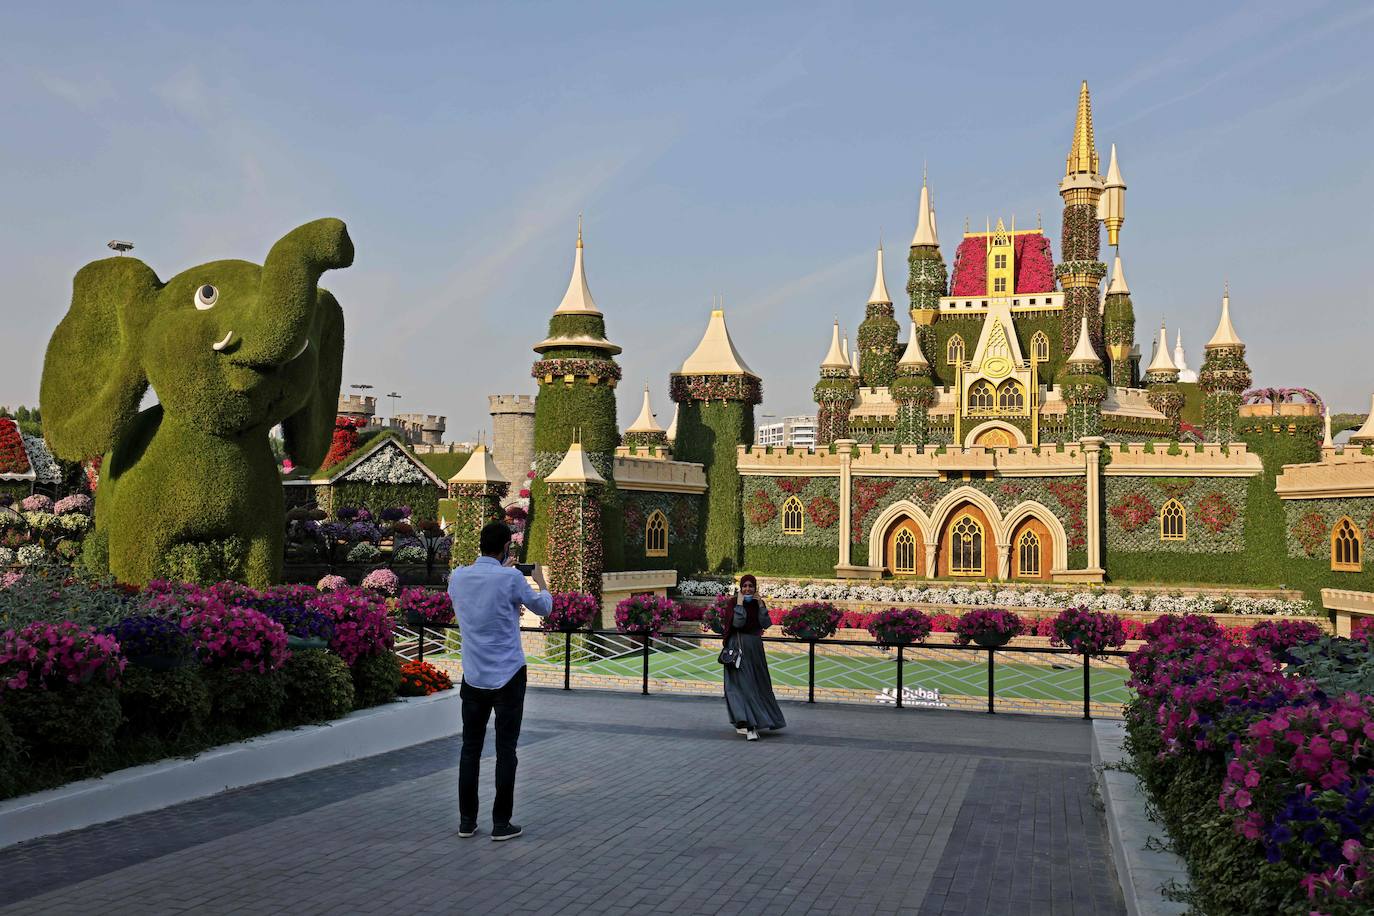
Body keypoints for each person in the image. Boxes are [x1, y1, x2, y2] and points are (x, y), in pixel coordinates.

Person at [447, 520, 553, 841]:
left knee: (470, 749)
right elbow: (544, 608)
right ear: (507, 546)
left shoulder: (459, 577)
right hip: (508, 675)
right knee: (506, 750)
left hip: (474, 675)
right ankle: (501, 823)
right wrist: (540, 581)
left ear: (480, 544)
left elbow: (476, 600)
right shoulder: (511, 578)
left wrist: (501, 571)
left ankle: (467, 821)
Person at [721, 574, 786, 740]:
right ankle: (748, 724)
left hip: (755, 649)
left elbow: (765, 623)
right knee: (742, 685)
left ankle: (762, 719)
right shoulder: (733, 603)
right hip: (738, 648)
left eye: (751, 586)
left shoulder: (758, 603)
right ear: (740, 587)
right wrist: (740, 605)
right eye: (745, 586)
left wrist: (761, 605)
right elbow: (737, 623)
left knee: (758, 684)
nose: (747, 589)